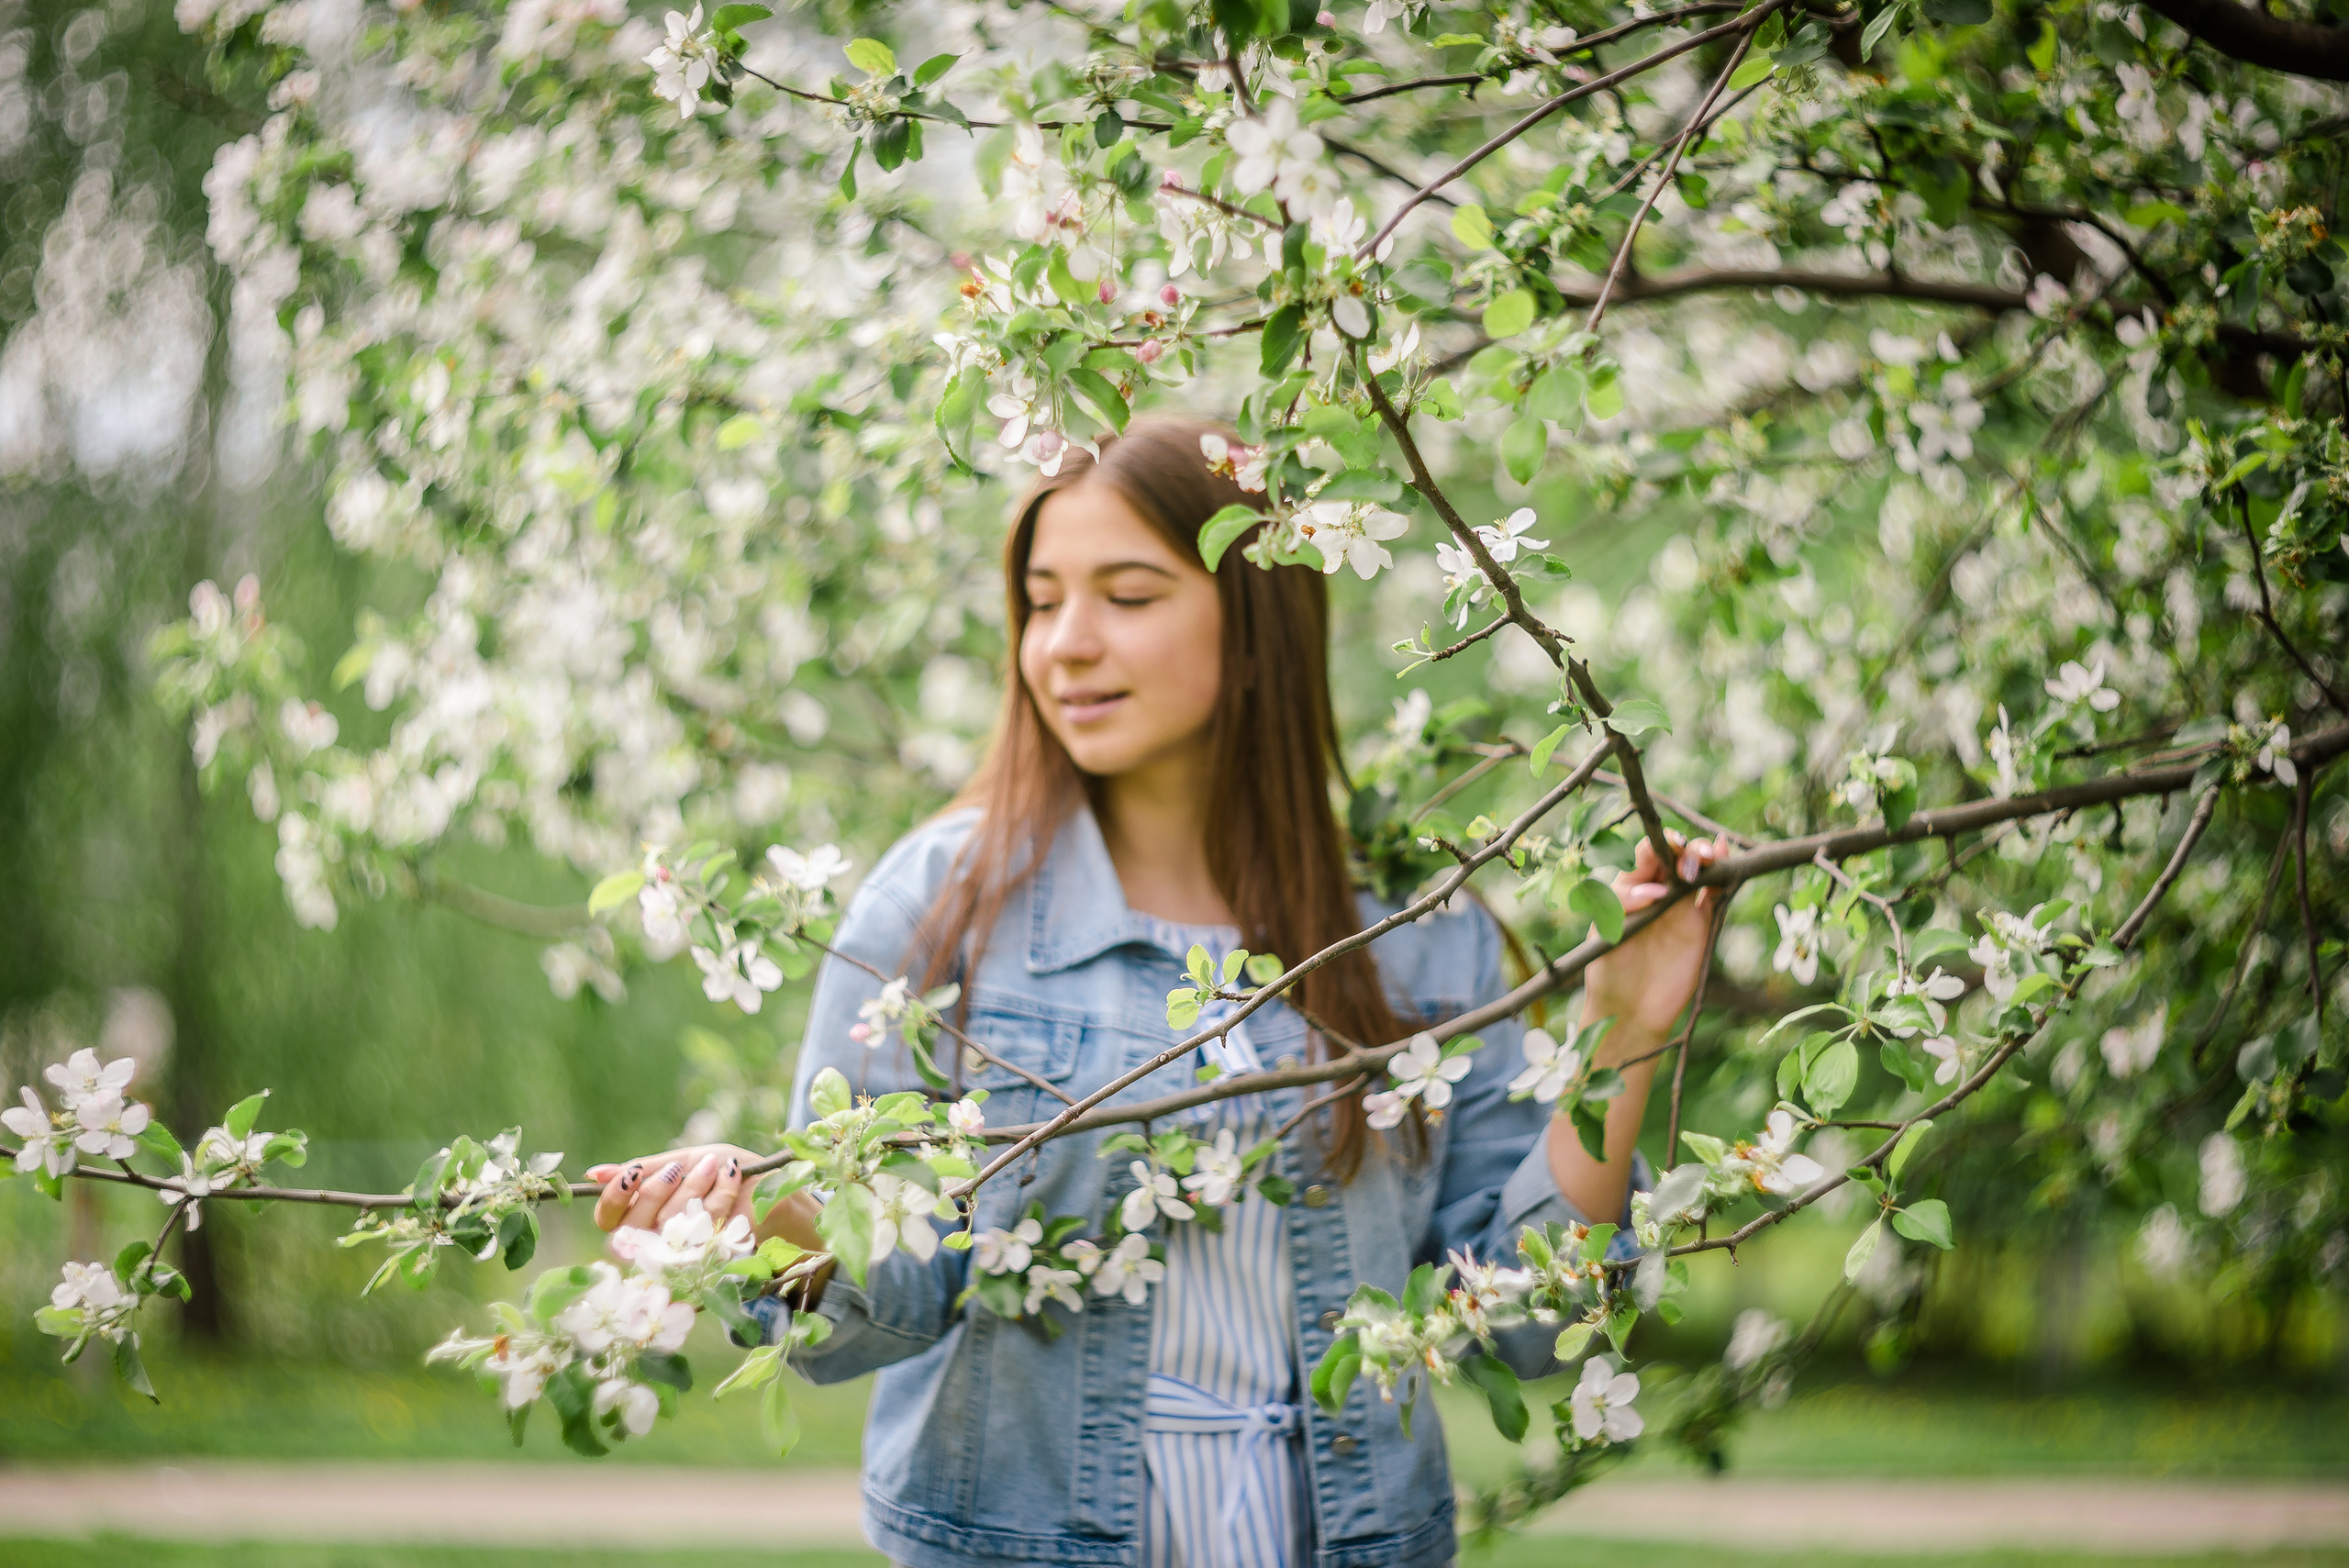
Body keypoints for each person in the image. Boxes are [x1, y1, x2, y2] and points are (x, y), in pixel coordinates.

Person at [584, 416, 1726, 1568]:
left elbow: (1531, 1322)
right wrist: (763, 1225)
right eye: (1040, 600)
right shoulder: (942, 907)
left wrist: (1619, 1033)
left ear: (1251, 629)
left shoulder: (1417, 934)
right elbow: (889, 1296)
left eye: (1128, 596)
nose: (1066, 644)